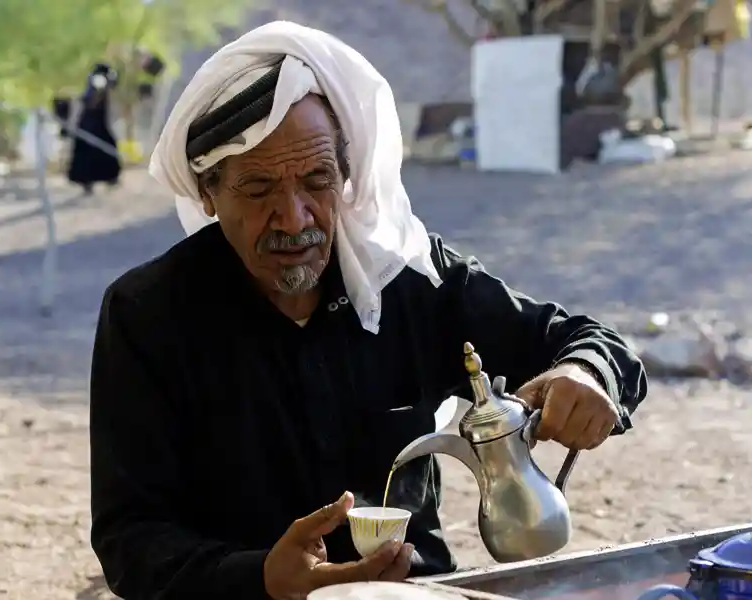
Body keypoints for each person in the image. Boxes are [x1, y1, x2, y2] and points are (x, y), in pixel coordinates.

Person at [89, 22, 648, 600]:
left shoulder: (406, 278)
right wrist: (261, 577)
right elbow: (130, 538)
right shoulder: (149, 316)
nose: (295, 217)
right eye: (258, 190)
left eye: (317, 181)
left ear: (347, 177)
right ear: (208, 192)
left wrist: (583, 374)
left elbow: (589, 341)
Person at [67, 63, 122, 195]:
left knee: (107, 148)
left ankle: (110, 178)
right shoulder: (95, 82)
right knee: (86, 152)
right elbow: (90, 100)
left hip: (100, 121)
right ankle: (86, 182)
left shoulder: (105, 80)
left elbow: (112, 87)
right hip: (89, 122)